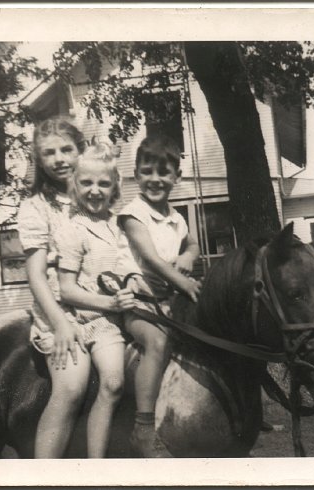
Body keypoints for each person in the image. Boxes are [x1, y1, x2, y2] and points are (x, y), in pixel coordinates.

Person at [116, 135, 201, 457]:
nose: (155, 179)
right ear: (136, 175)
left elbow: (191, 244)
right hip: (137, 303)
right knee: (157, 343)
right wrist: (183, 281)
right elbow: (150, 258)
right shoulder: (133, 214)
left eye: (164, 173)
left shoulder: (177, 217)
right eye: (147, 171)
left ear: (176, 177)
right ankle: (143, 426)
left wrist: (189, 257)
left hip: (166, 304)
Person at [54, 144, 135, 458]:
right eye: (86, 183)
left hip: (130, 314)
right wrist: (110, 305)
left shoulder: (121, 225)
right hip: (97, 322)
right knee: (113, 381)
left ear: (115, 185)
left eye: (103, 183)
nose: (95, 190)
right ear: (75, 184)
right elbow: (67, 290)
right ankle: (96, 463)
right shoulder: (73, 230)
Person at [17, 117, 90, 458]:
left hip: (100, 301)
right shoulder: (36, 208)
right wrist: (60, 321)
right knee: (73, 385)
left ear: (81, 151)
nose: (60, 158)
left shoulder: (97, 196)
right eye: (50, 153)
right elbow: (35, 274)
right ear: (40, 160)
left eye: (67, 149)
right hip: (60, 309)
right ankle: (45, 470)